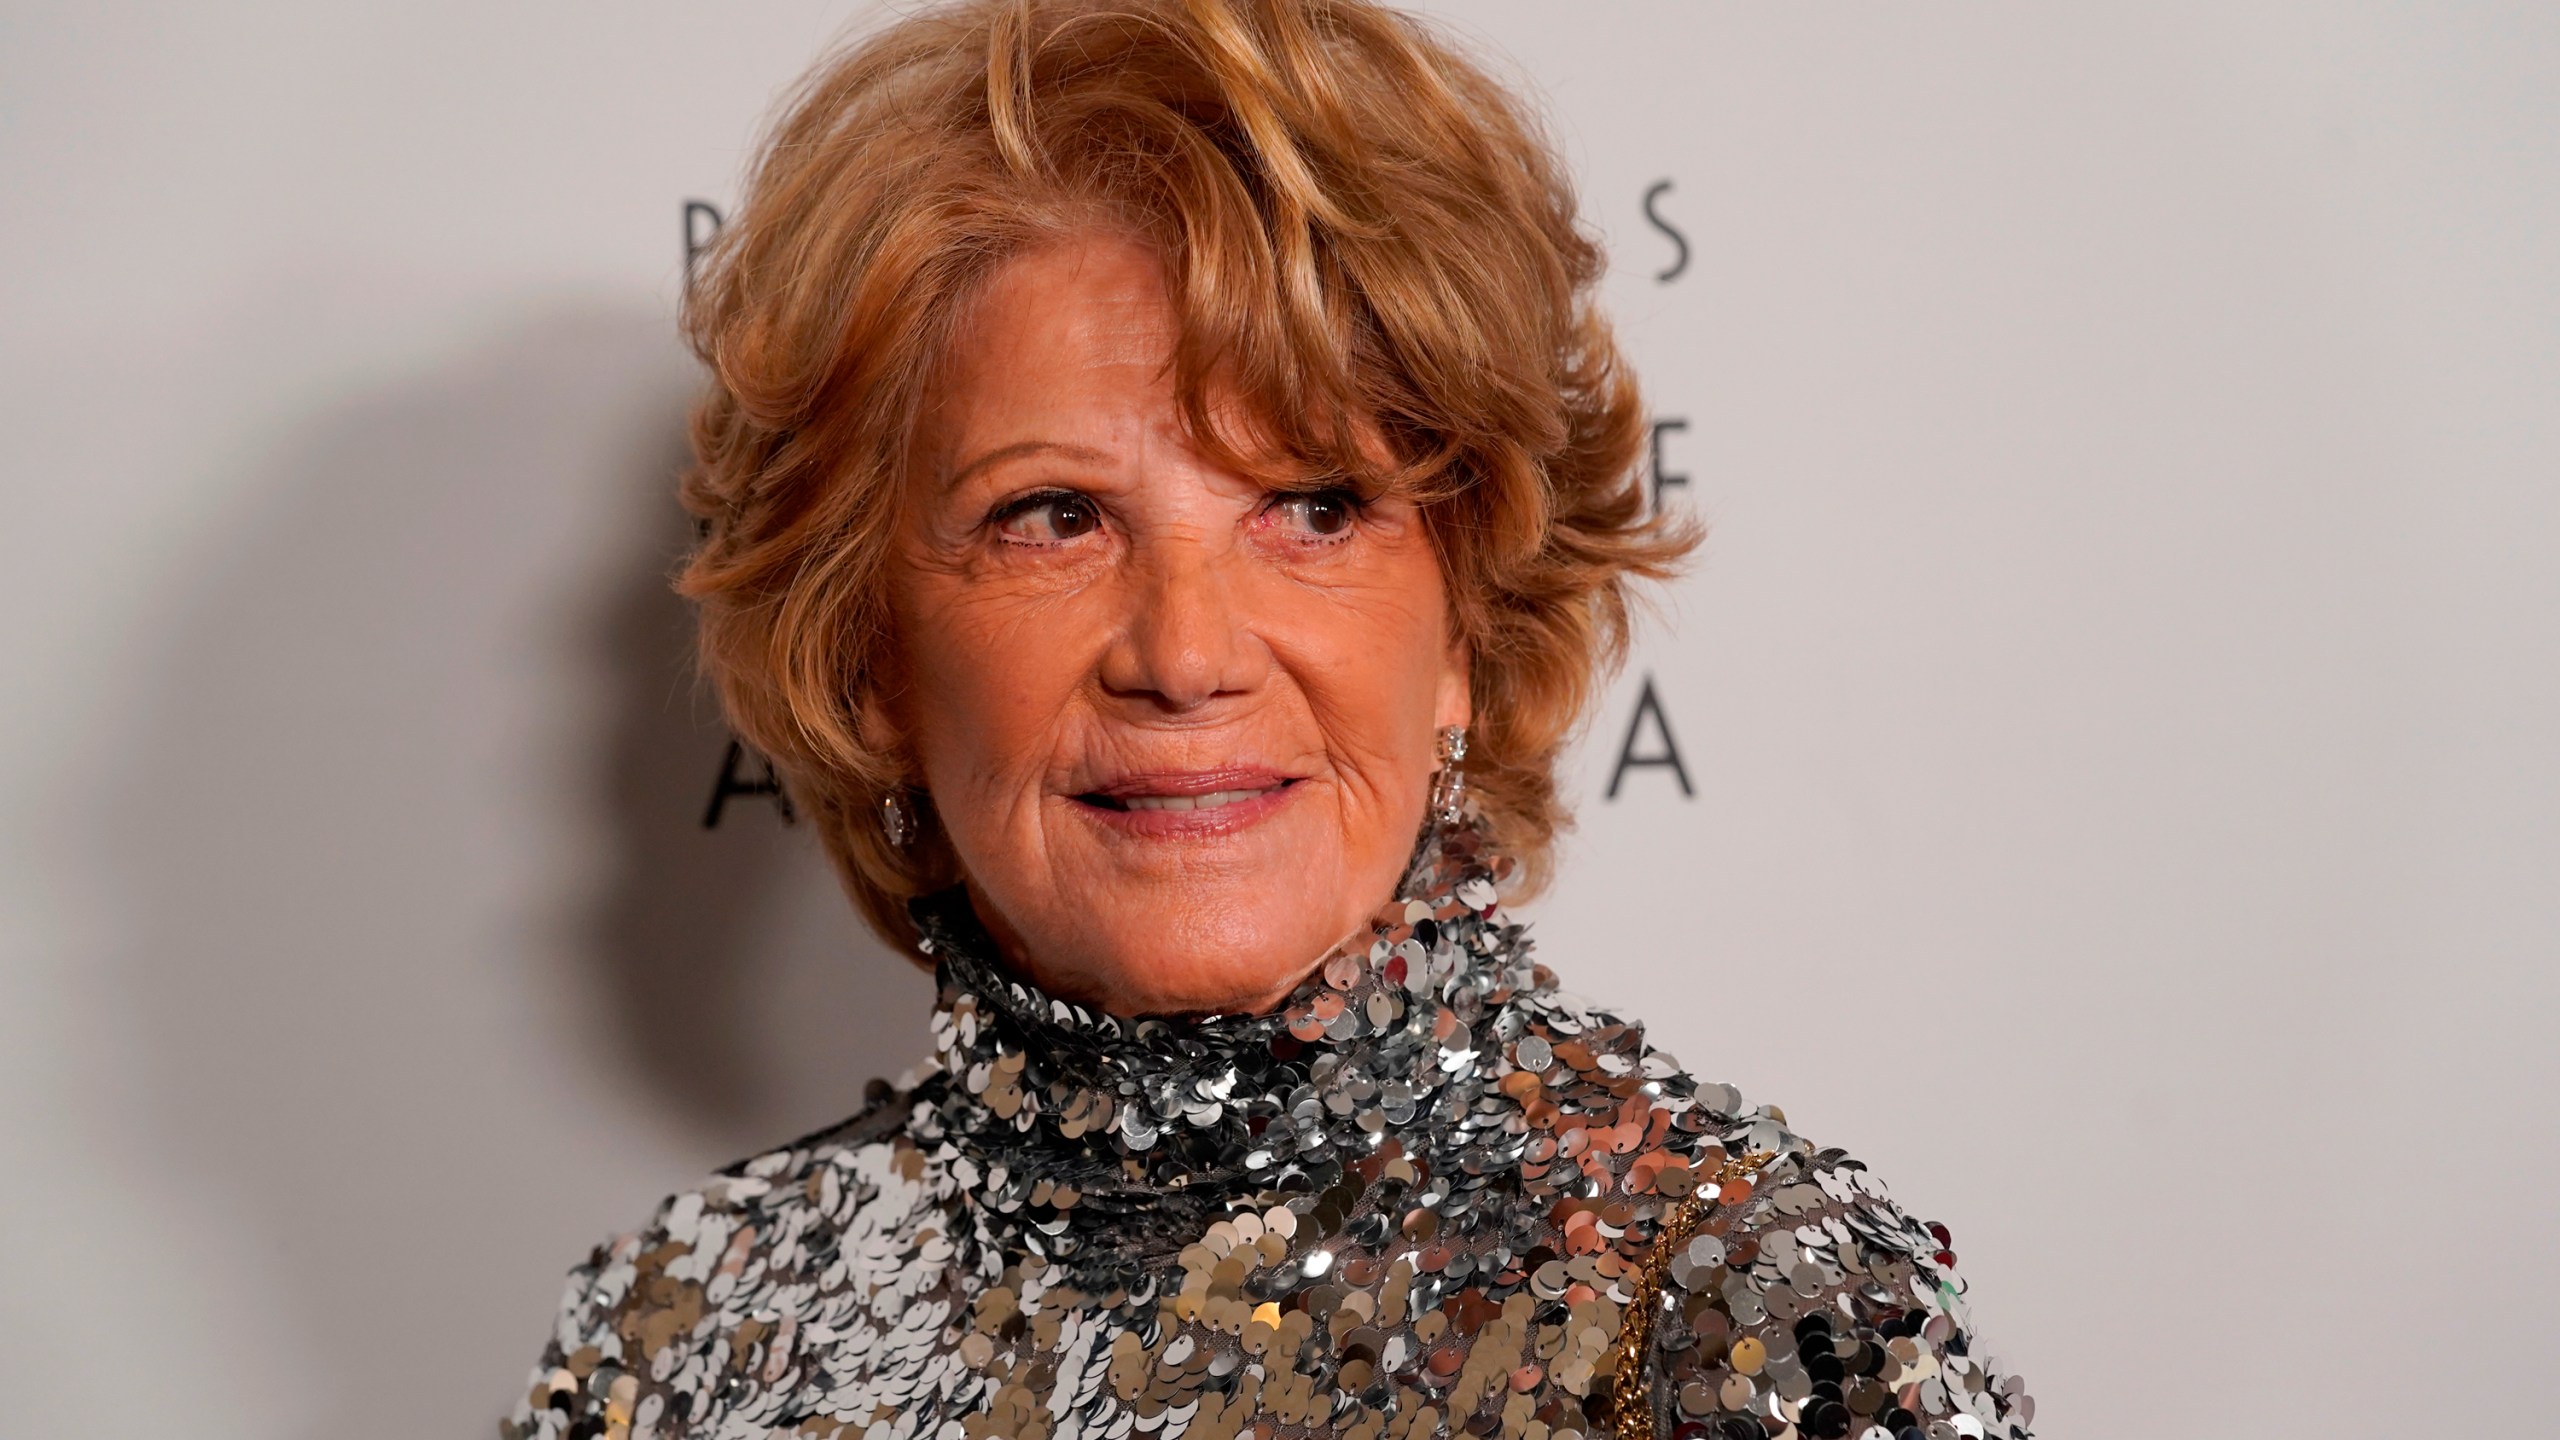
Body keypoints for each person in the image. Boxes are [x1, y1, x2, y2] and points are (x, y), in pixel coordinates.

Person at [507, 2, 2035, 1437]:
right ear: (872, 656)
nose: (1186, 653)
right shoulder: (679, 1344)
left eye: (1313, 505)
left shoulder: (1754, 1330)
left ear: (1467, 624)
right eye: (1052, 517)